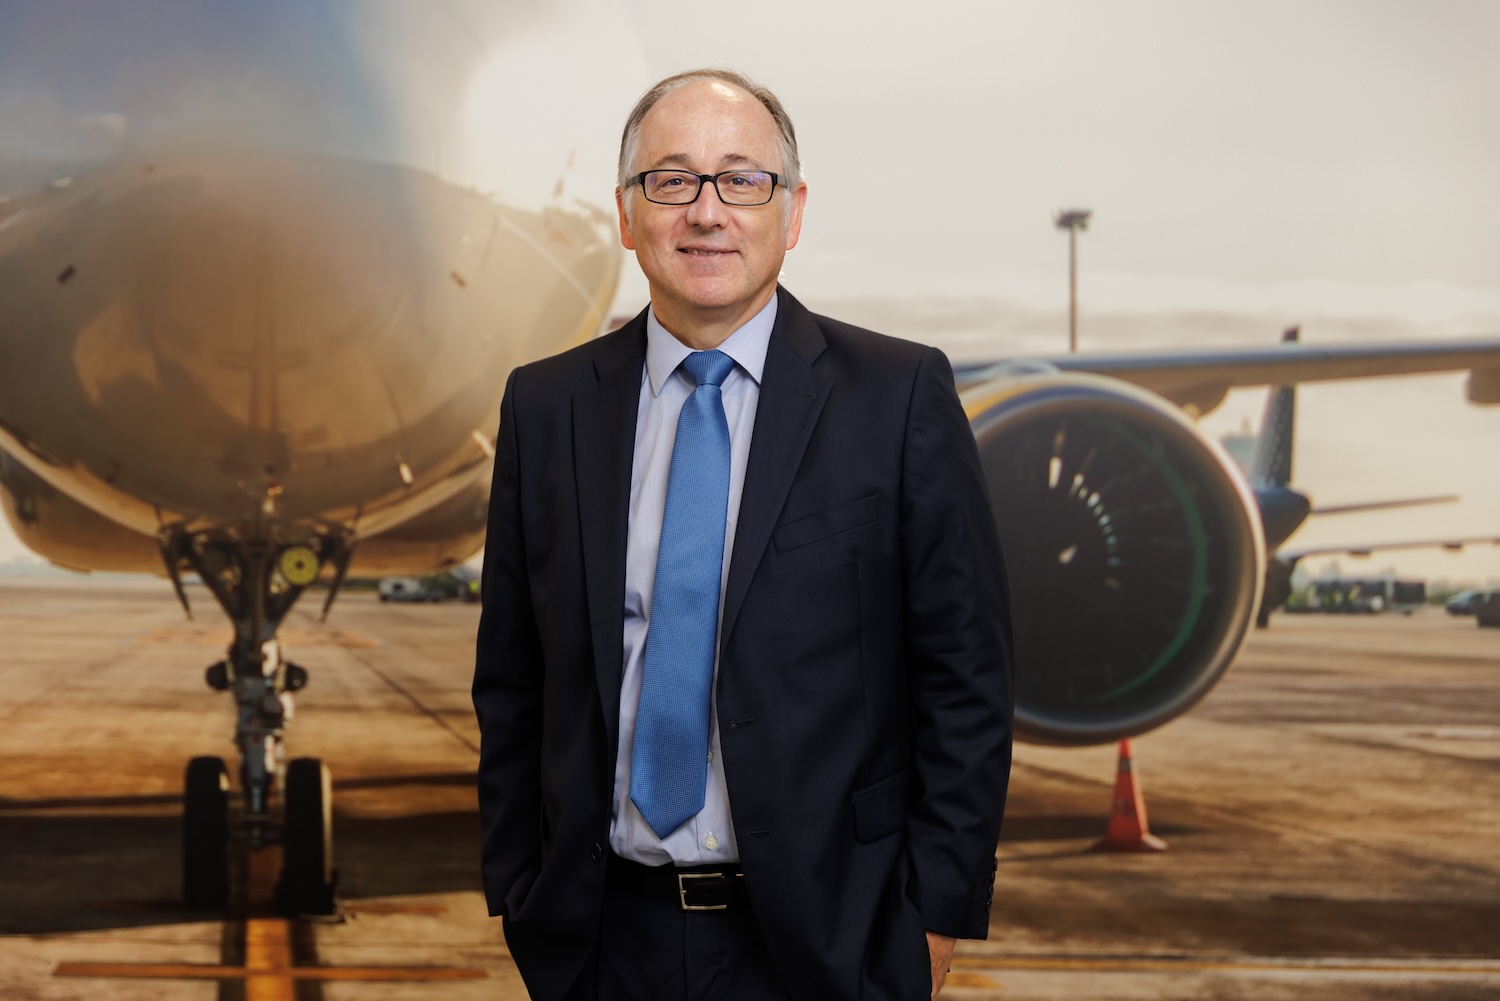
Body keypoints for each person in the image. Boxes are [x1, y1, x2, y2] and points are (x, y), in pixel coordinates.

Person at [474, 68, 1013, 1001]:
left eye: (742, 179)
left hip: (830, 942)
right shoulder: (548, 405)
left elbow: (966, 683)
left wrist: (931, 924)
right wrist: (523, 892)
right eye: (672, 180)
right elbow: (513, 677)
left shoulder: (898, 398)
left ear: (792, 212)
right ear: (627, 213)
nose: (707, 211)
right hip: (604, 940)